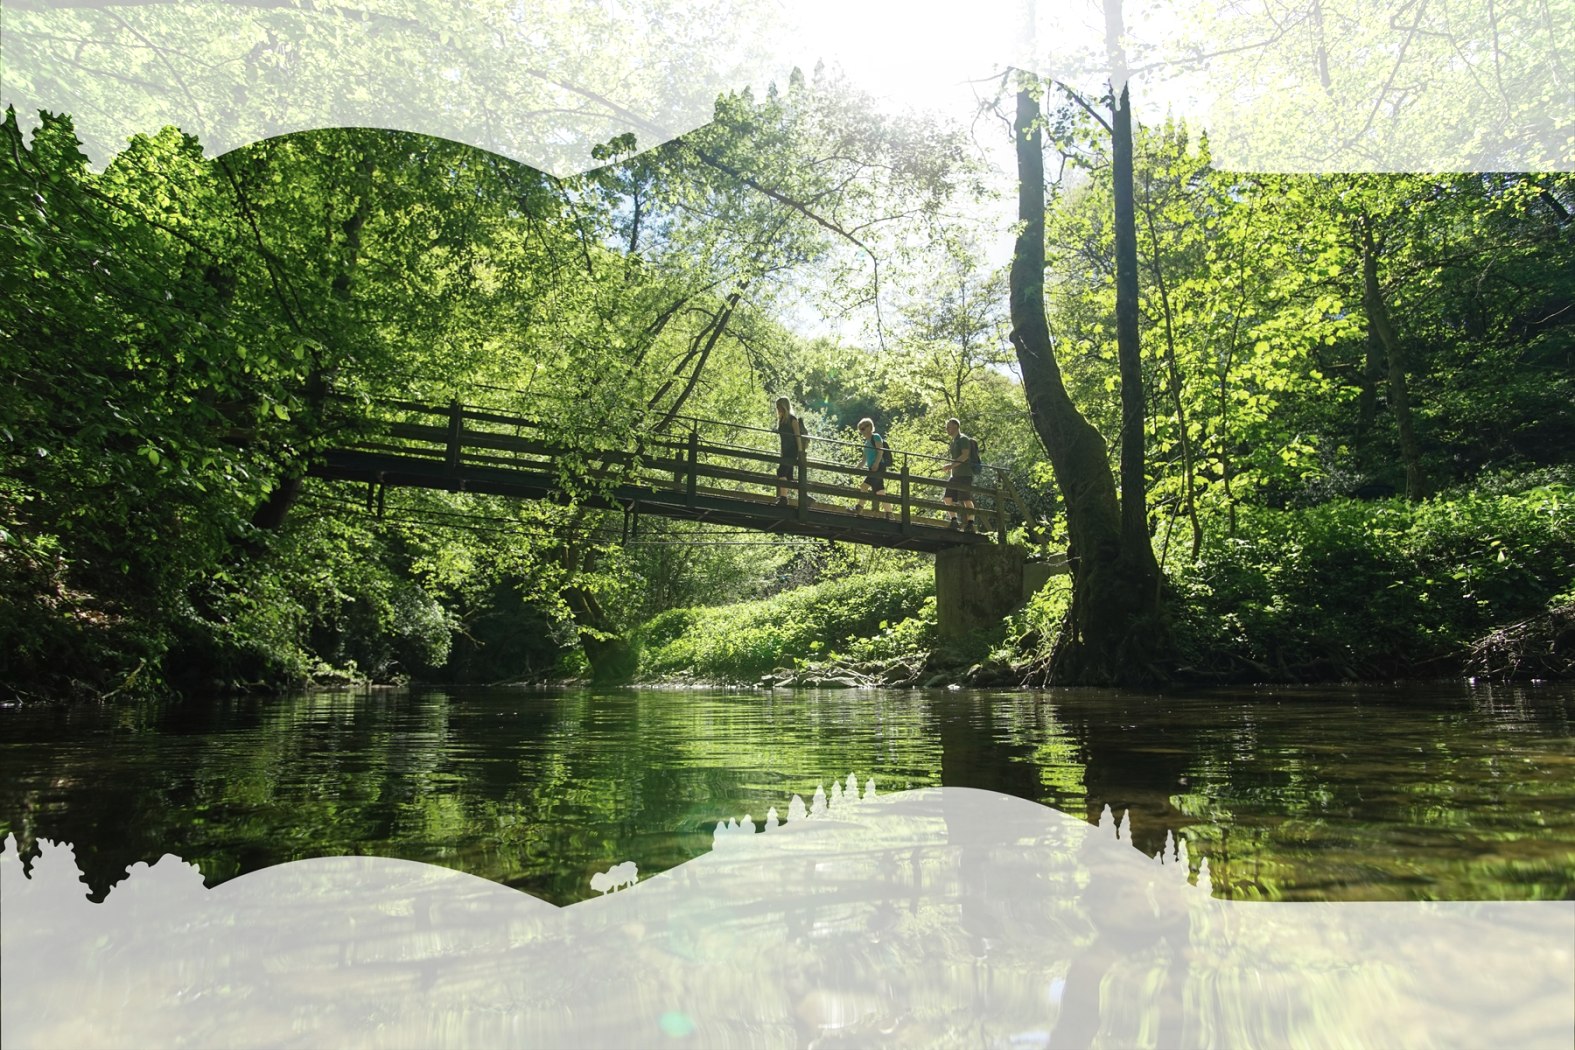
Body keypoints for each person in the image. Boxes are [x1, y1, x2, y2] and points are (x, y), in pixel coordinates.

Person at [851, 418, 891, 520]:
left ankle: (859, 508)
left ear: (869, 427)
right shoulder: (866, 443)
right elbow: (863, 460)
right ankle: (889, 514)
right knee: (880, 492)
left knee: (864, 486)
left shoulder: (876, 437)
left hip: (878, 467)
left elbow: (880, 451)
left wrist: (876, 464)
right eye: (860, 429)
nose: (862, 431)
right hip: (872, 468)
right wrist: (855, 469)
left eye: (863, 428)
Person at [943, 416, 976, 531]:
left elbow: (965, 455)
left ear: (956, 426)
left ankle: (970, 523)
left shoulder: (963, 439)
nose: (947, 429)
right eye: (946, 427)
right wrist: (951, 470)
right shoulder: (953, 441)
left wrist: (951, 466)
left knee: (966, 499)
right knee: (947, 498)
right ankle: (954, 521)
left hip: (965, 475)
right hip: (955, 475)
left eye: (949, 427)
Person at [773, 396, 806, 506]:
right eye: (777, 407)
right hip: (786, 451)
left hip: (792, 450)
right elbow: (782, 438)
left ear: (784, 407)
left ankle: (783, 499)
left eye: (779, 407)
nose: (778, 409)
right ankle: (805, 497)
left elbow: (797, 436)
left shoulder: (792, 419)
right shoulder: (781, 420)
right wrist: (781, 452)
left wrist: (800, 451)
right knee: (788, 477)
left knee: (781, 472)